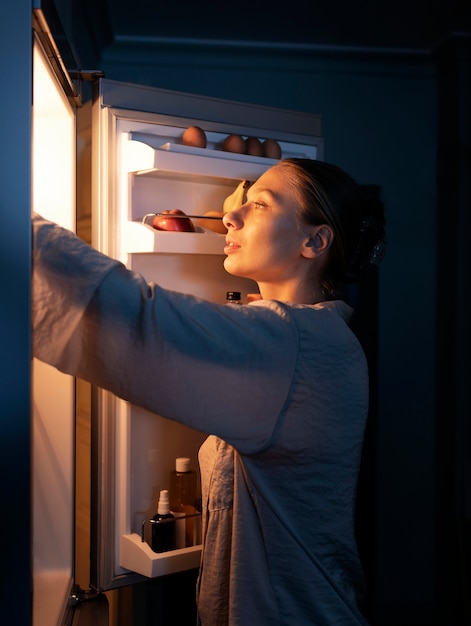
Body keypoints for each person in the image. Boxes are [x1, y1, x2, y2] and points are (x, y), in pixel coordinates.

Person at [32, 157, 386, 626]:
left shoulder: (296, 343)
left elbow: (142, 322)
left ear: (314, 241)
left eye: (259, 205)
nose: (229, 217)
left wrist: (18, 223)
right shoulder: (304, 337)